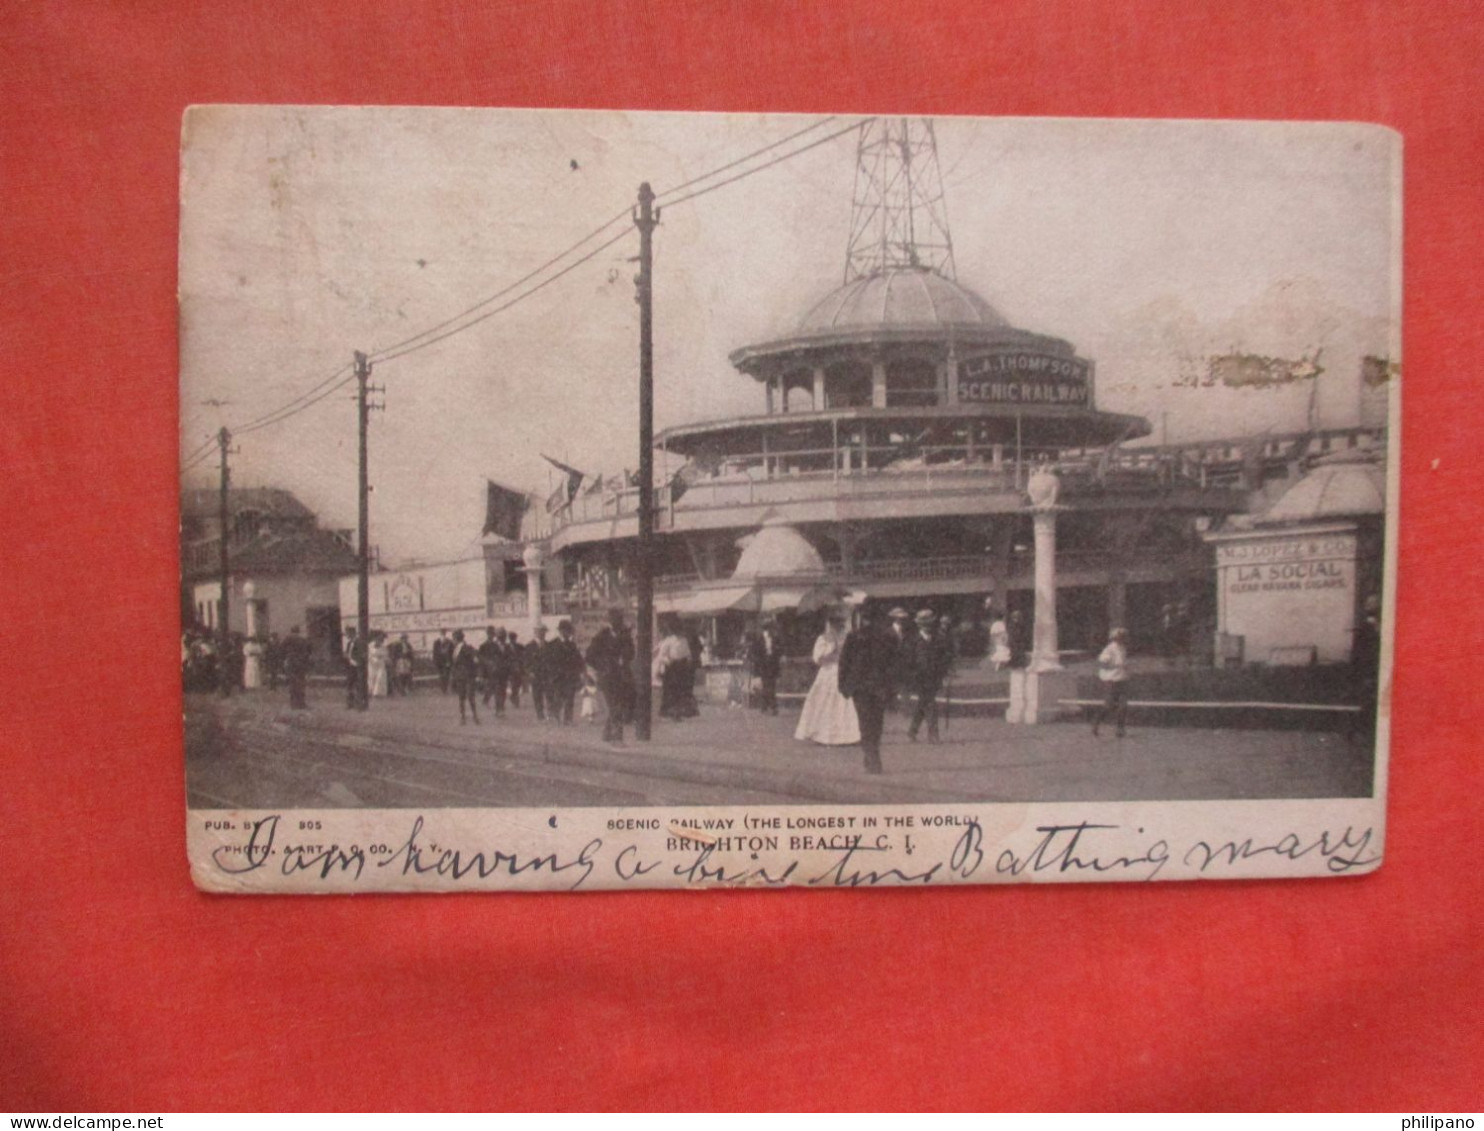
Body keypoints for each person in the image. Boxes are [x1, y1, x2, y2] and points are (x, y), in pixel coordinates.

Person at [838, 606, 900, 774]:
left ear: (862, 618)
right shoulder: (887, 637)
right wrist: (892, 688)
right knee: (876, 723)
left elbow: (844, 662)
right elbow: (894, 665)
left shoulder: (854, 636)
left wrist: (843, 685)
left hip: (860, 687)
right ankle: (873, 756)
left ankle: (872, 756)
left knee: (865, 723)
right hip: (877, 687)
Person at [794, 612, 860, 746]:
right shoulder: (823, 639)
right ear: (831, 624)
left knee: (844, 703)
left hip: (842, 672)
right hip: (828, 672)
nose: (839, 626)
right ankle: (823, 734)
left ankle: (846, 736)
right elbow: (818, 658)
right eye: (836, 623)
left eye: (841, 623)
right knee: (825, 701)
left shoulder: (847, 638)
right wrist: (832, 650)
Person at [902, 609, 954, 743]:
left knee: (923, 704)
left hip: (934, 677)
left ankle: (912, 731)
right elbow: (908, 660)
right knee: (930, 703)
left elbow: (943, 657)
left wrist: (945, 672)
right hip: (919, 678)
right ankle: (933, 734)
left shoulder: (937, 639)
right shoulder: (912, 640)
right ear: (919, 625)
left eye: (929, 623)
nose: (927, 626)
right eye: (924, 624)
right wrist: (911, 676)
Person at [586, 609, 635, 744]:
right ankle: (617, 737)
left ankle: (607, 734)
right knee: (615, 707)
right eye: (614, 619)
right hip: (607, 676)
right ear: (610, 621)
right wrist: (603, 665)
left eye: (619, 619)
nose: (617, 622)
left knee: (619, 706)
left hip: (622, 676)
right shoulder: (602, 636)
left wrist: (624, 658)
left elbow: (631, 653)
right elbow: (589, 657)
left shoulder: (625, 635)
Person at [1092, 627, 1130, 738]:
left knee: (1123, 706)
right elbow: (1102, 663)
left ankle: (1120, 728)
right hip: (1111, 680)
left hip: (1122, 679)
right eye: (1121, 636)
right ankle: (1096, 722)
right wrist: (1116, 666)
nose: (1123, 639)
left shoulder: (1123, 649)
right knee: (1108, 706)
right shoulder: (1109, 649)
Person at [546, 620, 585, 724]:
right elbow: (549, 662)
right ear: (561, 631)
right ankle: (554, 714)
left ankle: (568, 719)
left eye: (570, 631)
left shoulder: (572, 645)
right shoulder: (552, 644)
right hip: (558, 676)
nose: (569, 634)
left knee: (570, 697)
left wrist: (580, 670)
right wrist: (553, 674)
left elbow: (578, 659)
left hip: (571, 676)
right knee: (559, 696)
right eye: (567, 631)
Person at [654, 620, 693, 722]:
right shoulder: (668, 641)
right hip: (672, 668)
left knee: (681, 691)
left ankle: (678, 713)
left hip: (682, 667)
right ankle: (669, 713)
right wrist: (667, 662)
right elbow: (661, 656)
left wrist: (688, 662)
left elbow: (688, 654)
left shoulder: (684, 640)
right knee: (671, 691)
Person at [748, 618, 782, 715]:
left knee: (771, 685)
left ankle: (765, 706)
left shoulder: (775, 639)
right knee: (767, 685)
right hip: (763, 665)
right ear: (766, 629)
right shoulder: (759, 639)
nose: (771, 631)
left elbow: (779, 650)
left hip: (773, 664)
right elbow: (754, 652)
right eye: (770, 628)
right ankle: (772, 707)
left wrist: (776, 653)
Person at [449, 629, 480, 725]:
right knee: (461, 698)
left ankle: (475, 717)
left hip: (467, 676)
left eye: (453, 638)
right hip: (460, 677)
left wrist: (475, 671)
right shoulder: (455, 649)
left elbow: (475, 658)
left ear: (457, 639)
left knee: (470, 697)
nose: (453, 640)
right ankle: (463, 718)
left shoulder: (467, 648)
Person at [282, 625, 311, 709]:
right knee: (301, 683)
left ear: (291, 631)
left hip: (291, 662)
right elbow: (309, 650)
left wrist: (286, 657)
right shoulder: (303, 640)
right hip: (301, 663)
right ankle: (301, 703)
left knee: (292, 683)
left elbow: (281, 649)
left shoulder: (288, 639)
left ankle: (293, 703)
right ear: (299, 631)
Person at [527, 624, 552, 720]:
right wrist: (530, 672)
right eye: (540, 632)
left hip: (547, 674)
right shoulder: (529, 646)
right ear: (535, 633)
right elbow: (526, 662)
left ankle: (550, 713)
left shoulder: (549, 645)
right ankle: (540, 714)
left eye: (544, 632)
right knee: (537, 695)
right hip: (535, 675)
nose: (542, 634)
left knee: (549, 694)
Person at [478, 627, 502, 712]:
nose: (491, 636)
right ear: (487, 635)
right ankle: (486, 700)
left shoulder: (496, 646)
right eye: (489, 634)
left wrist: (496, 665)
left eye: (492, 634)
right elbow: (480, 660)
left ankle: (498, 709)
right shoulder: (483, 646)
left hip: (495, 670)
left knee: (497, 690)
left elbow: (500, 657)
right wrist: (481, 673)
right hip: (487, 672)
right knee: (490, 688)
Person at [342, 626, 363, 708]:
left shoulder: (359, 642)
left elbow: (360, 655)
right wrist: (346, 656)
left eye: (347, 633)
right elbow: (348, 653)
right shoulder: (349, 643)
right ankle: (350, 703)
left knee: (358, 685)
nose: (346, 635)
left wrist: (355, 661)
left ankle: (359, 703)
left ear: (352, 633)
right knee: (349, 685)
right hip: (350, 666)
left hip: (357, 666)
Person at [986, 602, 1011, 670]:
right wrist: (1005, 640)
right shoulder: (1001, 624)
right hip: (1000, 640)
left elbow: (992, 634)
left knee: (999, 652)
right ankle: (999, 666)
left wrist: (992, 641)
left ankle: (999, 666)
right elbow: (1003, 633)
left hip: (995, 641)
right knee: (1003, 653)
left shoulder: (994, 624)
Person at [432, 630, 453, 695]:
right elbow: (434, 653)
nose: (443, 635)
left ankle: (445, 688)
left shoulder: (449, 642)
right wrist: (435, 661)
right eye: (441, 633)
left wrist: (450, 661)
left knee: (447, 675)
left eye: (444, 633)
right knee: (441, 676)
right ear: (440, 634)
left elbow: (451, 652)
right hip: (439, 662)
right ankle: (443, 689)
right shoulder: (436, 642)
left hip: (447, 661)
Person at [368, 634, 389, 698]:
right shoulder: (370, 646)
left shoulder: (383, 647)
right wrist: (373, 658)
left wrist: (385, 659)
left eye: (381, 640)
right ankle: (370, 691)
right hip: (372, 664)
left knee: (380, 677)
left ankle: (377, 693)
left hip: (380, 664)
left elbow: (386, 655)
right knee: (371, 677)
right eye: (378, 639)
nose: (379, 641)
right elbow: (368, 655)